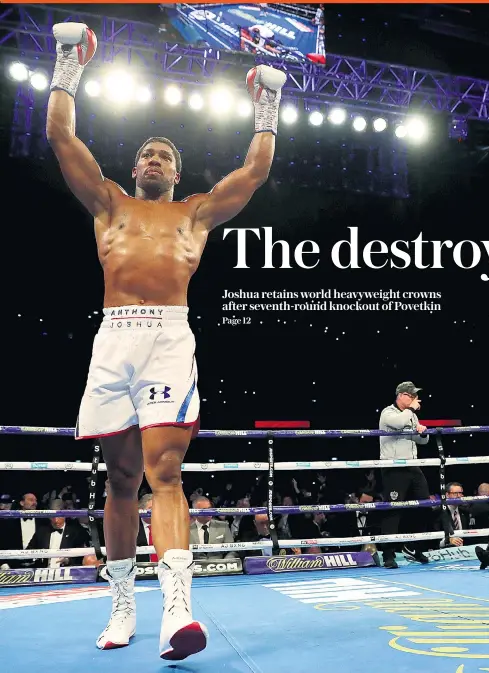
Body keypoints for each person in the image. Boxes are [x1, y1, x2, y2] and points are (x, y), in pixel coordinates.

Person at [46, 23, 286, 659]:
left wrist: (267, 98)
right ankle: (122, 604)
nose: (152, 160)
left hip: (168, 337)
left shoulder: (198, 213)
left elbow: (257, 169)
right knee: (120, 480)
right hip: (113, 337)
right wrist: (69, 63)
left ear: (178, 172)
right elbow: (60, 136)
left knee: (165, 472)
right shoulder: (108, 204)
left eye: (163, 156)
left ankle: (177, 609)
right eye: (145, 154)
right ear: (135, 167)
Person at [378, 381, 430, 569]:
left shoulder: (411, 416)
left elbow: (420, 441)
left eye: (415, 395)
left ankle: (415, 548)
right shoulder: (388, 413)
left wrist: (422, 432)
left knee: (424, 505)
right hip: (394, 468)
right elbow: (399, 423)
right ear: (400, 395)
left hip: (413, 466)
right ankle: (388, 555)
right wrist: (412, 410)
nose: (414, 399)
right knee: (393, 510)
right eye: (411, 395)